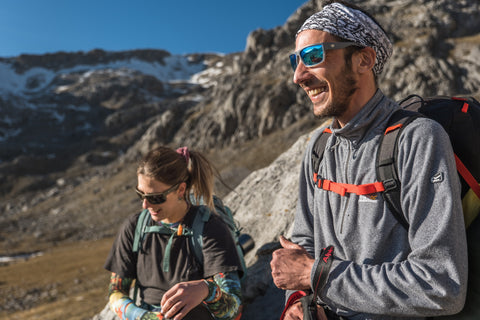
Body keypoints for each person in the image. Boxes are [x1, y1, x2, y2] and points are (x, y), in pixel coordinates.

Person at [270, 1, 468, 319]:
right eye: (296, 60)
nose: (298, 76)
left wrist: (318, 276)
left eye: (313, 57)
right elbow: (305, 243)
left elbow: (442, 285)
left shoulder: (417, 140)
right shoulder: (319, 149)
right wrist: (298, 301)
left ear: (364, 59)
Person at [104, 146, 243, 320]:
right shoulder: (134, 227)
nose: (145, 205)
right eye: (141, 194)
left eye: (156, 198)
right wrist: (144, 317)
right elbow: (116, 291)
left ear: (181, 190)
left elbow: (234, 309)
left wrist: (207, 290)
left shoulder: (211, 229)